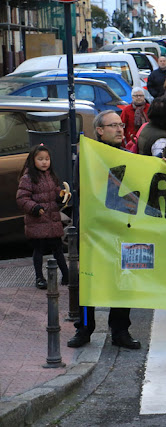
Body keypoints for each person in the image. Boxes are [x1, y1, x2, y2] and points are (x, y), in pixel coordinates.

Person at [67, 111, 140, 349]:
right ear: (99, 130)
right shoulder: (89, 156)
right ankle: (85, 328)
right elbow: (82, 187)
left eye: (121, 125)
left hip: (123, 229)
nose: (120, 129)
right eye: (113, 126)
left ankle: (120, 330)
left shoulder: (130, 156)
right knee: (89, 279)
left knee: (122, 280)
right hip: (94, 229)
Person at [16, 145, 70, 290]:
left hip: (52, 220)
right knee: (39, 250)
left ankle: (66, 274)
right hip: (37, 221)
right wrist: (34, 207)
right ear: (32, 161)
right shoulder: (27, 178)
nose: (44, 162)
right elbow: (22, 198)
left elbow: (56, 191)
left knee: (58, 249)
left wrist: (62, 196)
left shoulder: (51, 176)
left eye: (47, 159)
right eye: (40, 159)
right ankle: (39, 277)